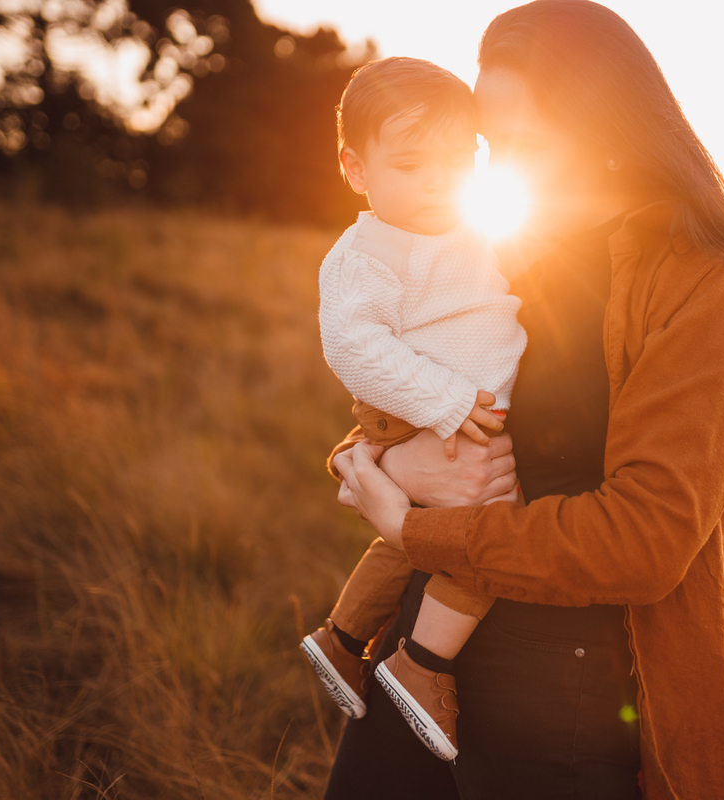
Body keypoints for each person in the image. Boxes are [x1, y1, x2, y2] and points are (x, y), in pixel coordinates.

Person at [324, 1, 724, 798]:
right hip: (416, 664)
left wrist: (415, 525)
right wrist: (377, 460)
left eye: (531, 140)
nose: (506, 164)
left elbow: (646, 541)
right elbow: (398, 395)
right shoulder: (504, 252)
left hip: (566, 712)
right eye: (493, 143)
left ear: (607, 122)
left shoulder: (708, 283)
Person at [301, 56, 527, 762]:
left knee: (412, 539)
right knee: (488, 536)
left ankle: (340, 641)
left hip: (453, 413)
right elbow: (351, 347)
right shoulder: (369, 252)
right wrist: (450, 402)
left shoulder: (462, 234)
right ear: (357, 169)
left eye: (457, 163)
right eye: (410, 164)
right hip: (434, 414)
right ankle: (422, 665)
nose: (437, 182)